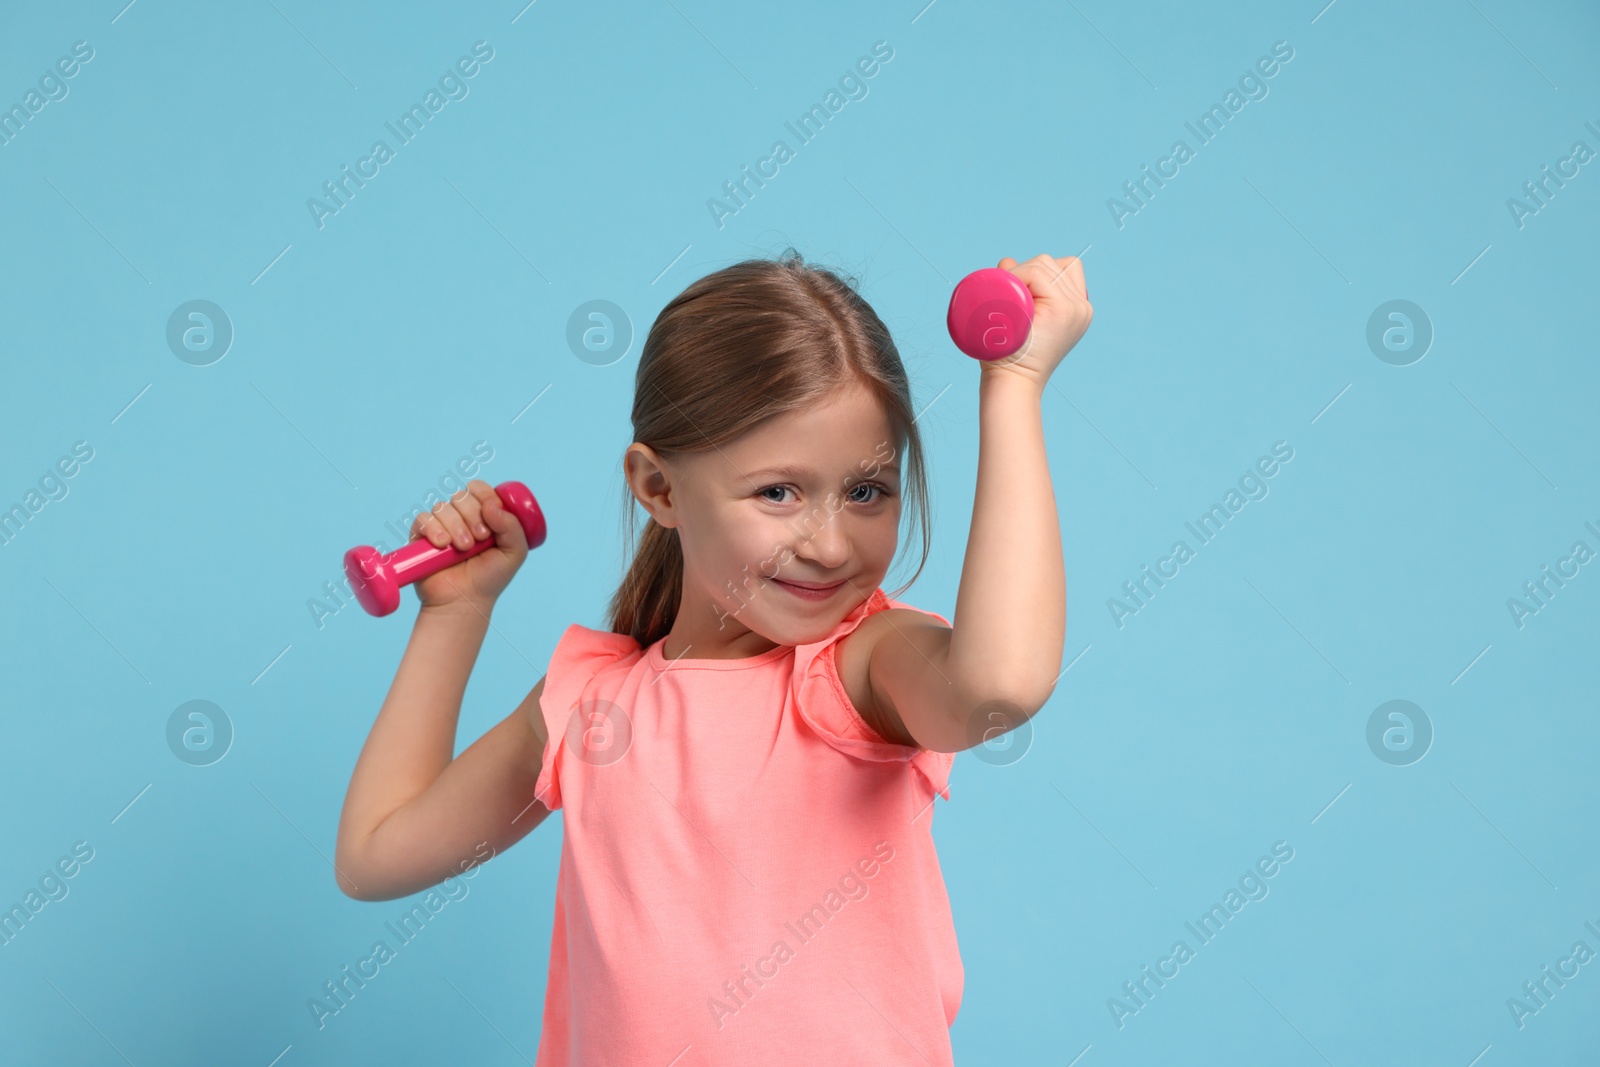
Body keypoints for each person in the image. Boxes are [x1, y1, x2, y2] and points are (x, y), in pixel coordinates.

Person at [334, 249, 1092, 1064]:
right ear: (659, 489)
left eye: (867, 491)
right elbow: (376, 854)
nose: (830, 543)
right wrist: (457, 613)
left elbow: (997, 688)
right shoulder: (589, 704)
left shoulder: (861, 667)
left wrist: (1012, 386)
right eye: (778, 492)